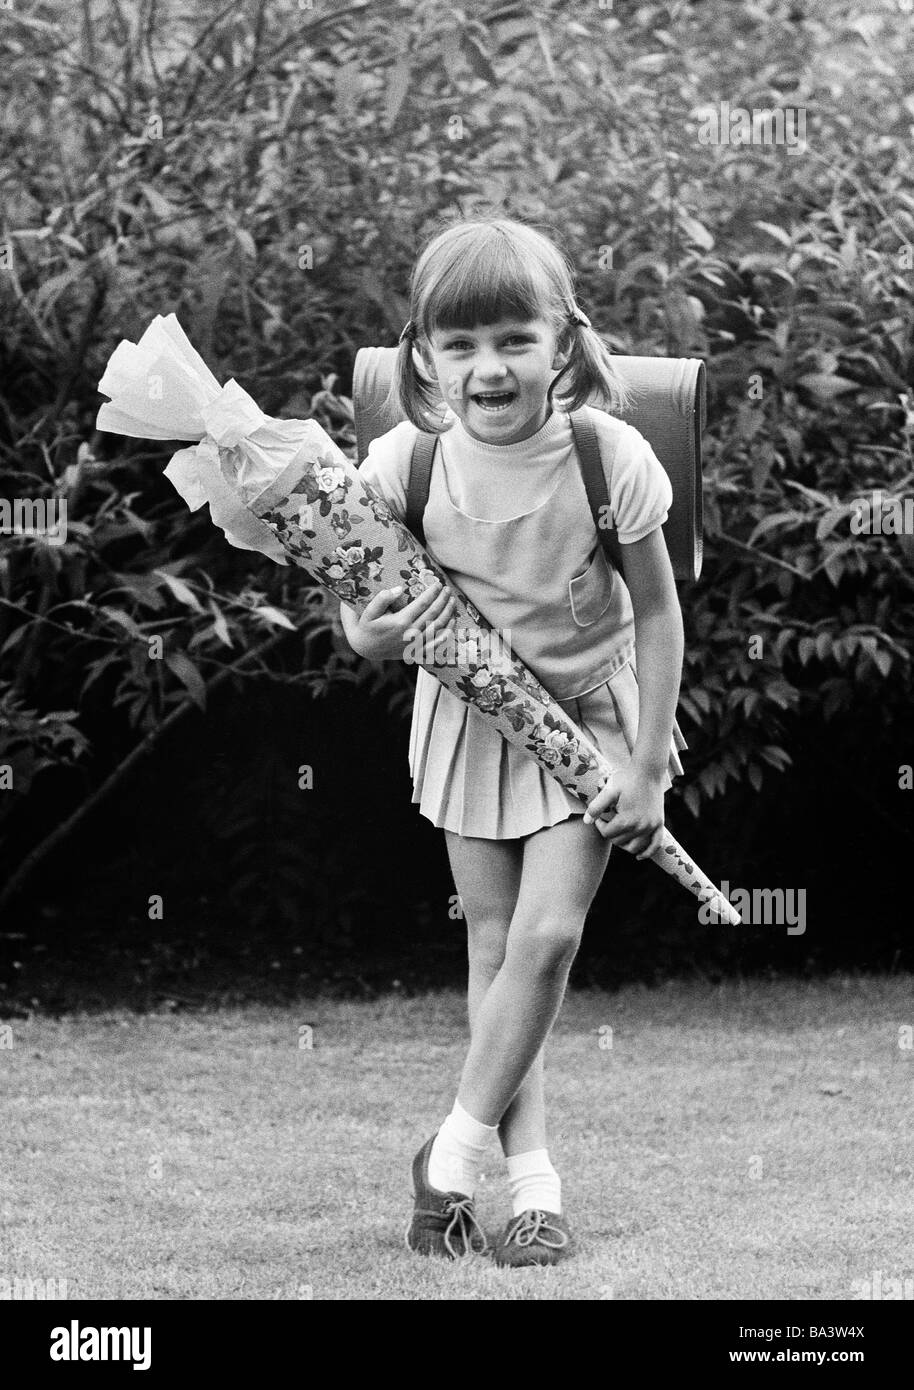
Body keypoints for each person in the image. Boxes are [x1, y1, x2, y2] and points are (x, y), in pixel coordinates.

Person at [338, 216, 686, 1266]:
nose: (487, 366)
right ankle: (530, 1193)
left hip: (588, 718)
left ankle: (445, 1162)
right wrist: (370, 635)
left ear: (560, 342)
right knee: (494, 955)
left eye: (512, 338)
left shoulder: (602, 454)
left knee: (546, 942)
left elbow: (659, 615)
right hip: (469, 723)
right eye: (460, 344)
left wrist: (645, 761)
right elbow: (360, 616)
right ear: (423, 357)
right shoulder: (401, 463)